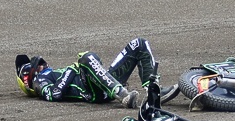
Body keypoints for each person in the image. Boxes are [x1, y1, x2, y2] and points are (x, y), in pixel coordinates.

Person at [15, 37, 179, 107]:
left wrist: (74, 68)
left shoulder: (53, 73)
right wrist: (73, 68)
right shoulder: (39, 82)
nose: (42, 66)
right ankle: (123, 96)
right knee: (86, 56)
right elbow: (55, 94)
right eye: (37, 67)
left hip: (102, 84)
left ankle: (154, 90)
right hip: (92, 92)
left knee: (139, 44)